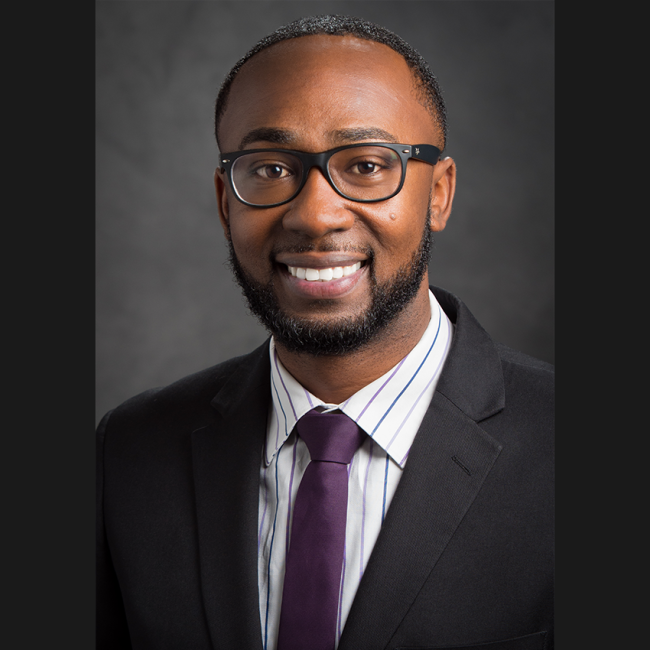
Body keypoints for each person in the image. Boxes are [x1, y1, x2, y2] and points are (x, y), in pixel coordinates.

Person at [97, 15, 553, 650]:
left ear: (439, 194)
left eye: (367, 165)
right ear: (226, 202)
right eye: (270, 169)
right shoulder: (129, 451)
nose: (315, 215)